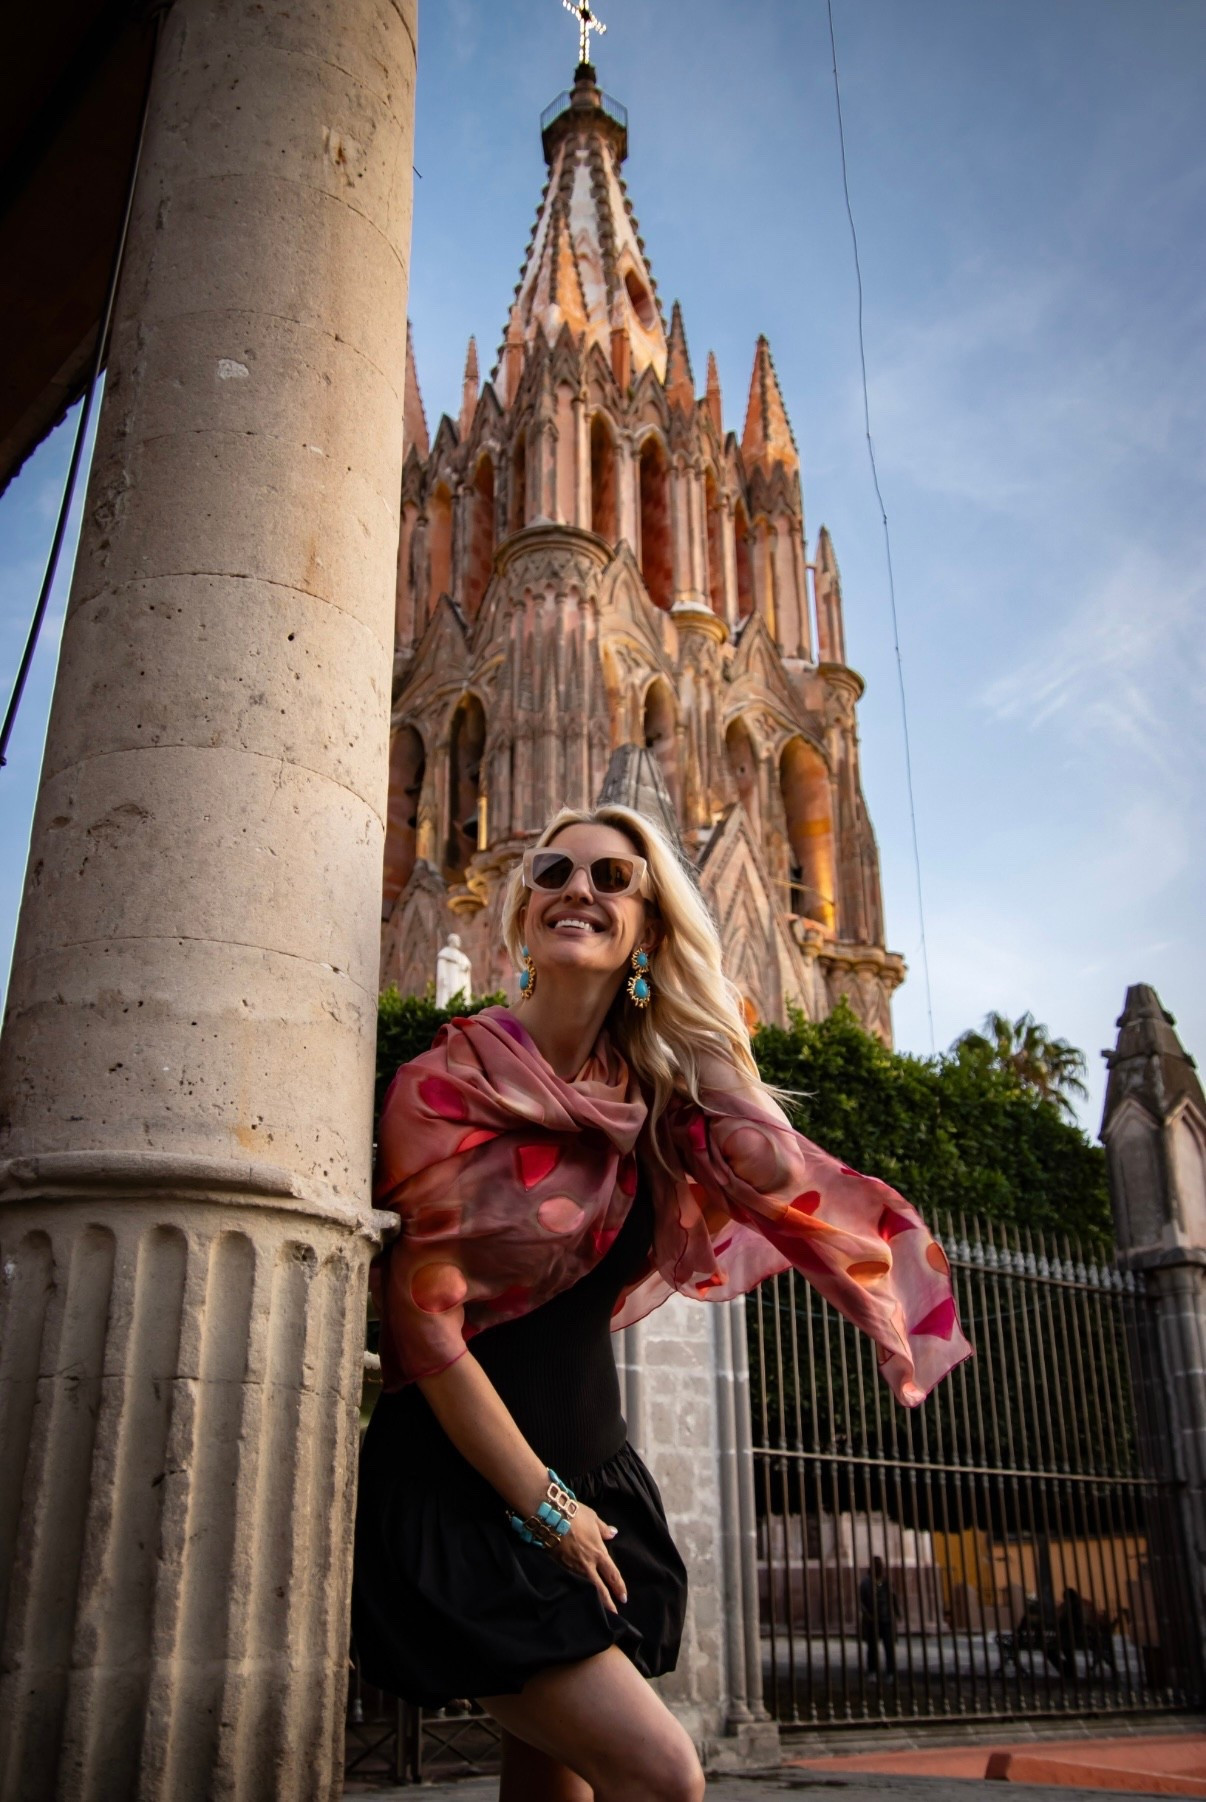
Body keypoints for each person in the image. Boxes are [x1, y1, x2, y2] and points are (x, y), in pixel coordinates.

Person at [353, 804, 970, 1802]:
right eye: (554, 869)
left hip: (595, 1483)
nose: (579, 889)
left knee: (554, 1785)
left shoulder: (646, 1100)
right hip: (465, 1494)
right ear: (520, 911)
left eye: (615, 879)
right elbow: (425, 1323)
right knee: (660, 1772)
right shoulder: (440, 1084)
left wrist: (698, 1014)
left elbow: (772, 1162)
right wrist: (549, 1508)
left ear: (648, 931)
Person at [858, 1556, 900, 1679]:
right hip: (872, 1619)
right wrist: (866, 1614)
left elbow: (893, 1597)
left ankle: (890, 1671)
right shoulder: (866, 1583)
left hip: (886, 1618)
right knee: (872, 1647)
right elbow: (861, 1601)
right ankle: (872, 1670)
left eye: (879, 1565)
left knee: (888, 1646)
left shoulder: (886, 1582)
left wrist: (896, 1613)